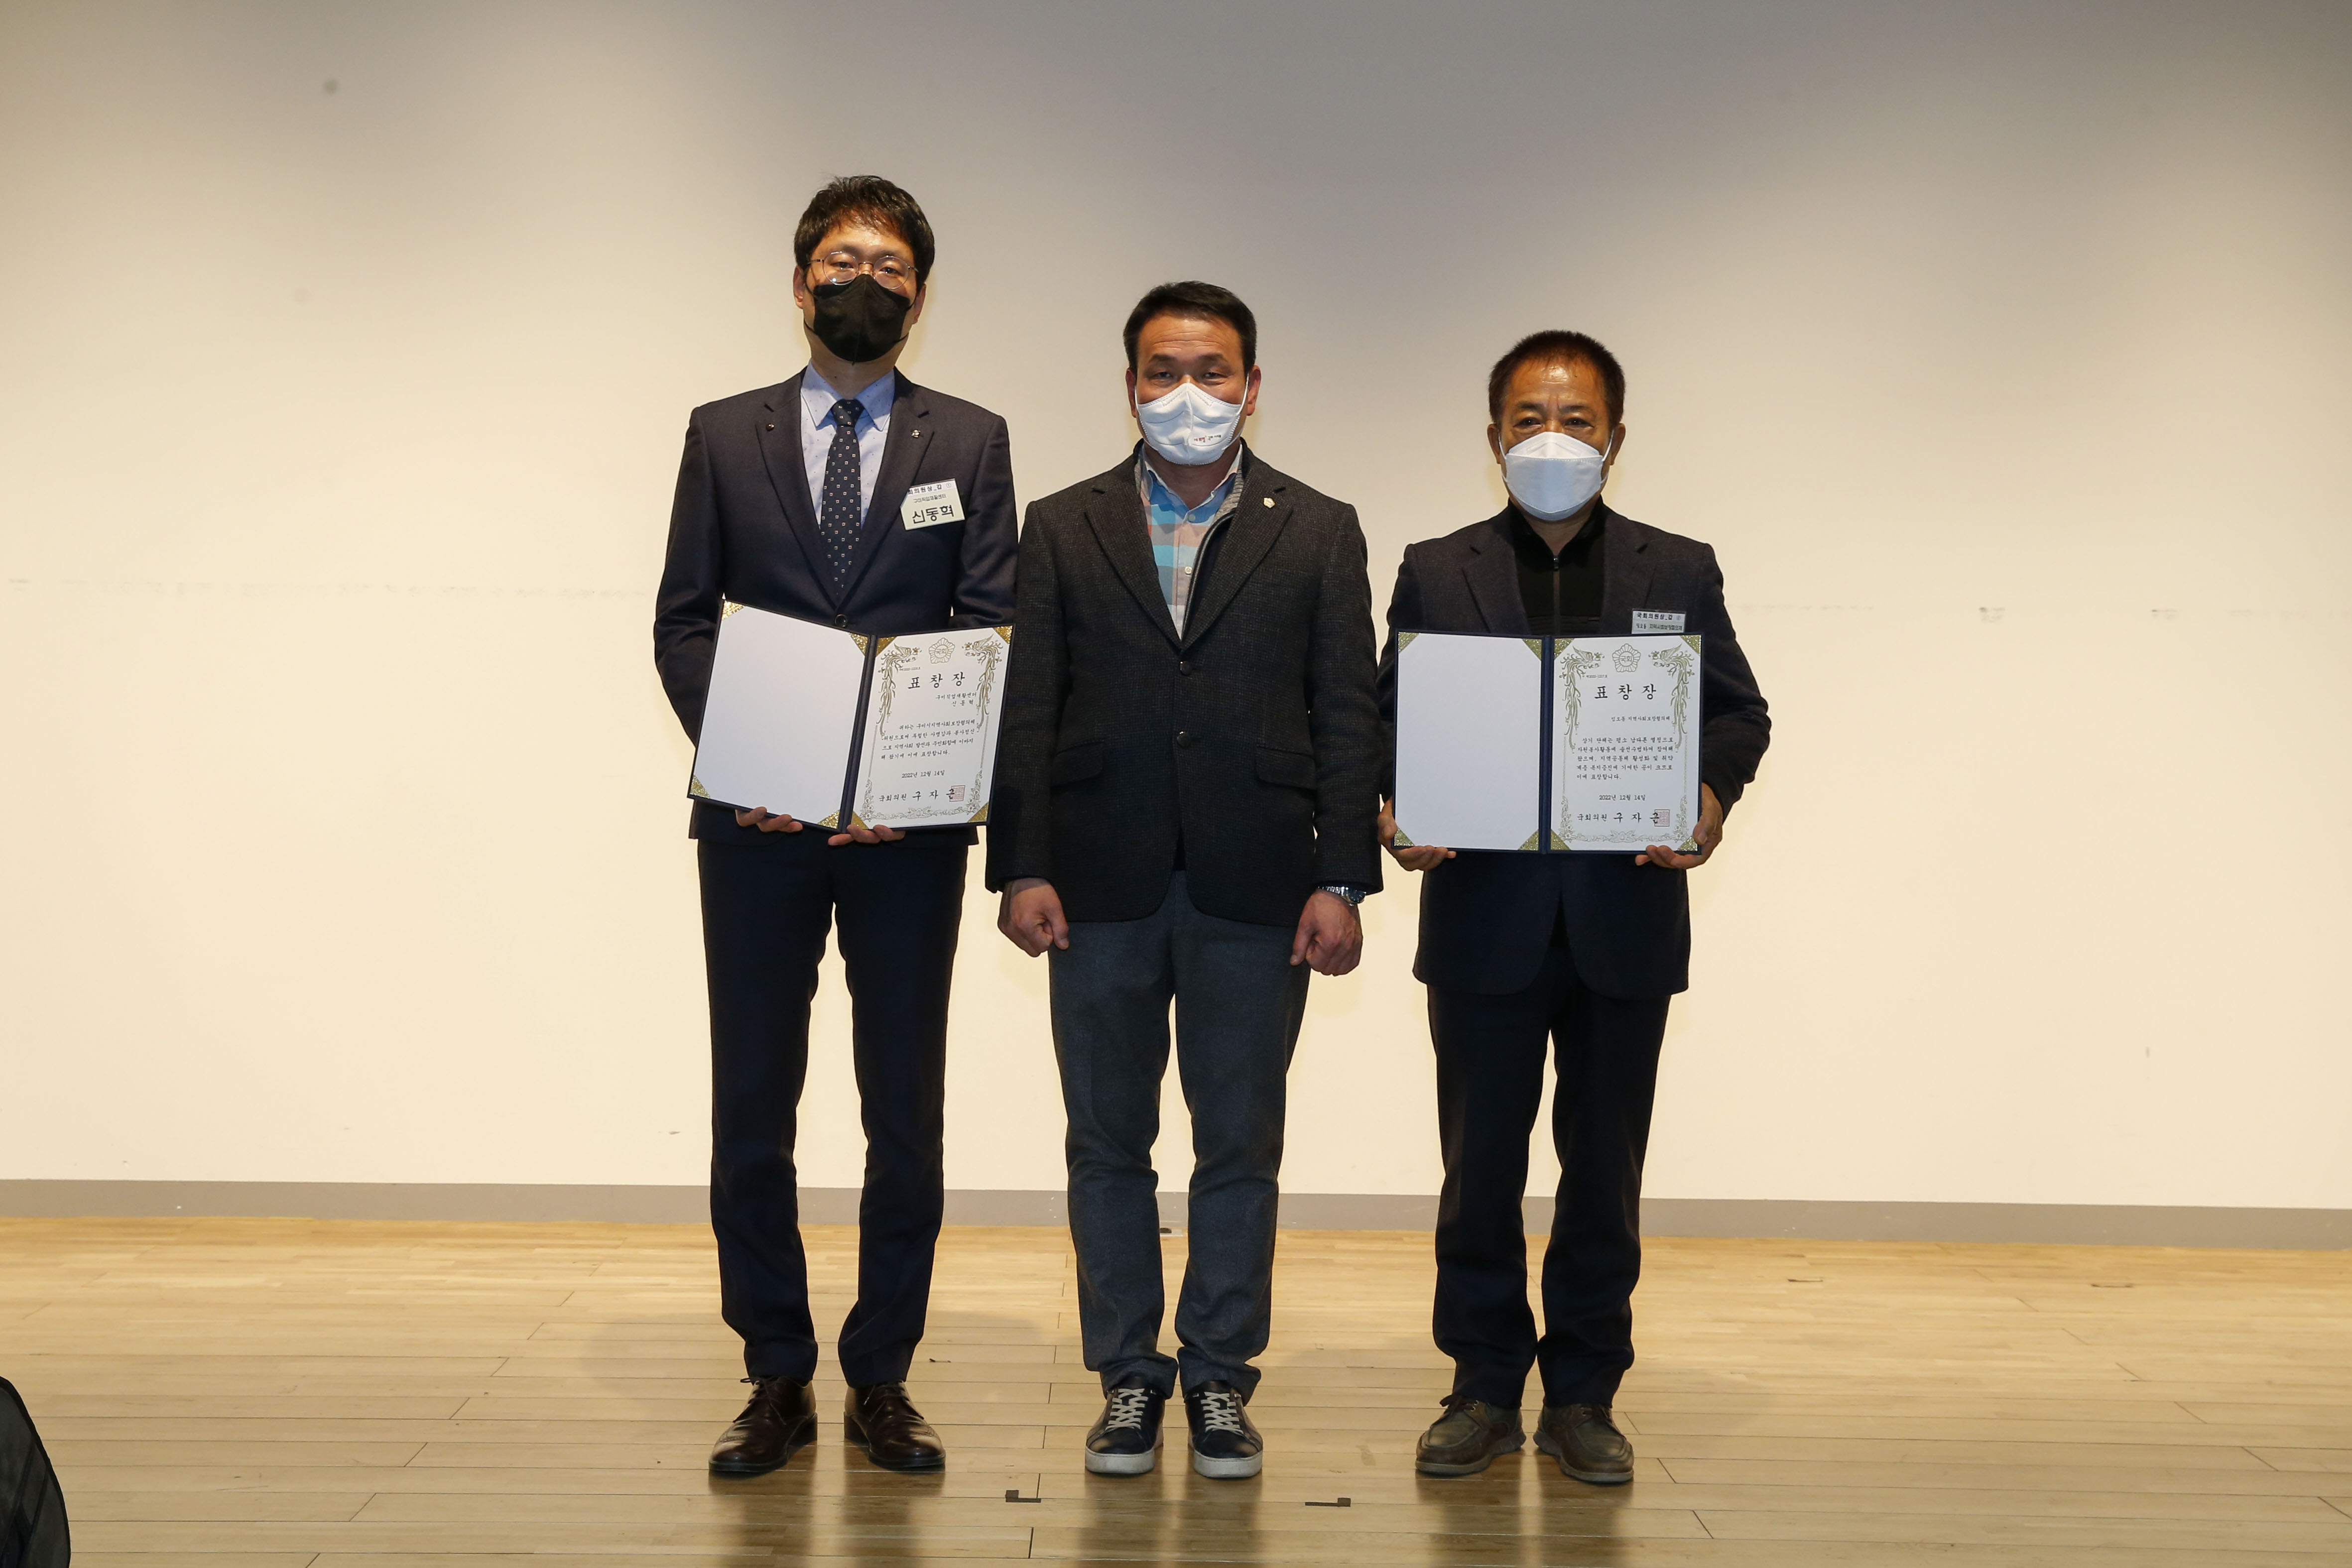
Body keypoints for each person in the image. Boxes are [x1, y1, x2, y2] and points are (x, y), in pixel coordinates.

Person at [652, 175, 1017, 1477]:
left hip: (907, 840)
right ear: (801, 278)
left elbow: (988, 626)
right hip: (755, 824)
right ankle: (774, 1369)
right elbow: (683, 619)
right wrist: (757, 758)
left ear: (920, 294)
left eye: (890, 266)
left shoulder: (969, 439)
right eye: (842, 259)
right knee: (752, 1102)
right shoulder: (723, 432)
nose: (865, 280)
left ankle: (881, 1373)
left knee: (901, 1105)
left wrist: (901, 784)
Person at [988, 282, 1382, 1479]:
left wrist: (1343, 879)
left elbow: (1346, 714)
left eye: (1212, 371)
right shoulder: (1062, 525)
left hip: (1258, 885)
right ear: (1129, 387)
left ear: (1252, 388)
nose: (1187, 393)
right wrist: (1020, 864)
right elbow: (1027, 708)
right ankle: (1127, 1376)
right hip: (1093, 884)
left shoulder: (1319, 528)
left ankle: (1216, 1375)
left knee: (1239, 1144)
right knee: (1106, 1142)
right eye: (1163, 371)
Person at [1375, 331, 1769, 1483]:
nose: (1553, 439)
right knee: (1479, 1174)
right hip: (1482, 919)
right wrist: (1395, 809)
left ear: (1616, 437)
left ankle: (1586, 1395)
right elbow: (1385, 718)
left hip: (1622, 919)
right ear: (1494, 437)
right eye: (1529, 420)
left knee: (1603, 1177)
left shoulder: (1676, 569)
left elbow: (1738, 714)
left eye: (1577, 421)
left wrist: (1708, 798)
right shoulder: (1435, 569)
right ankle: (1482, 1387)